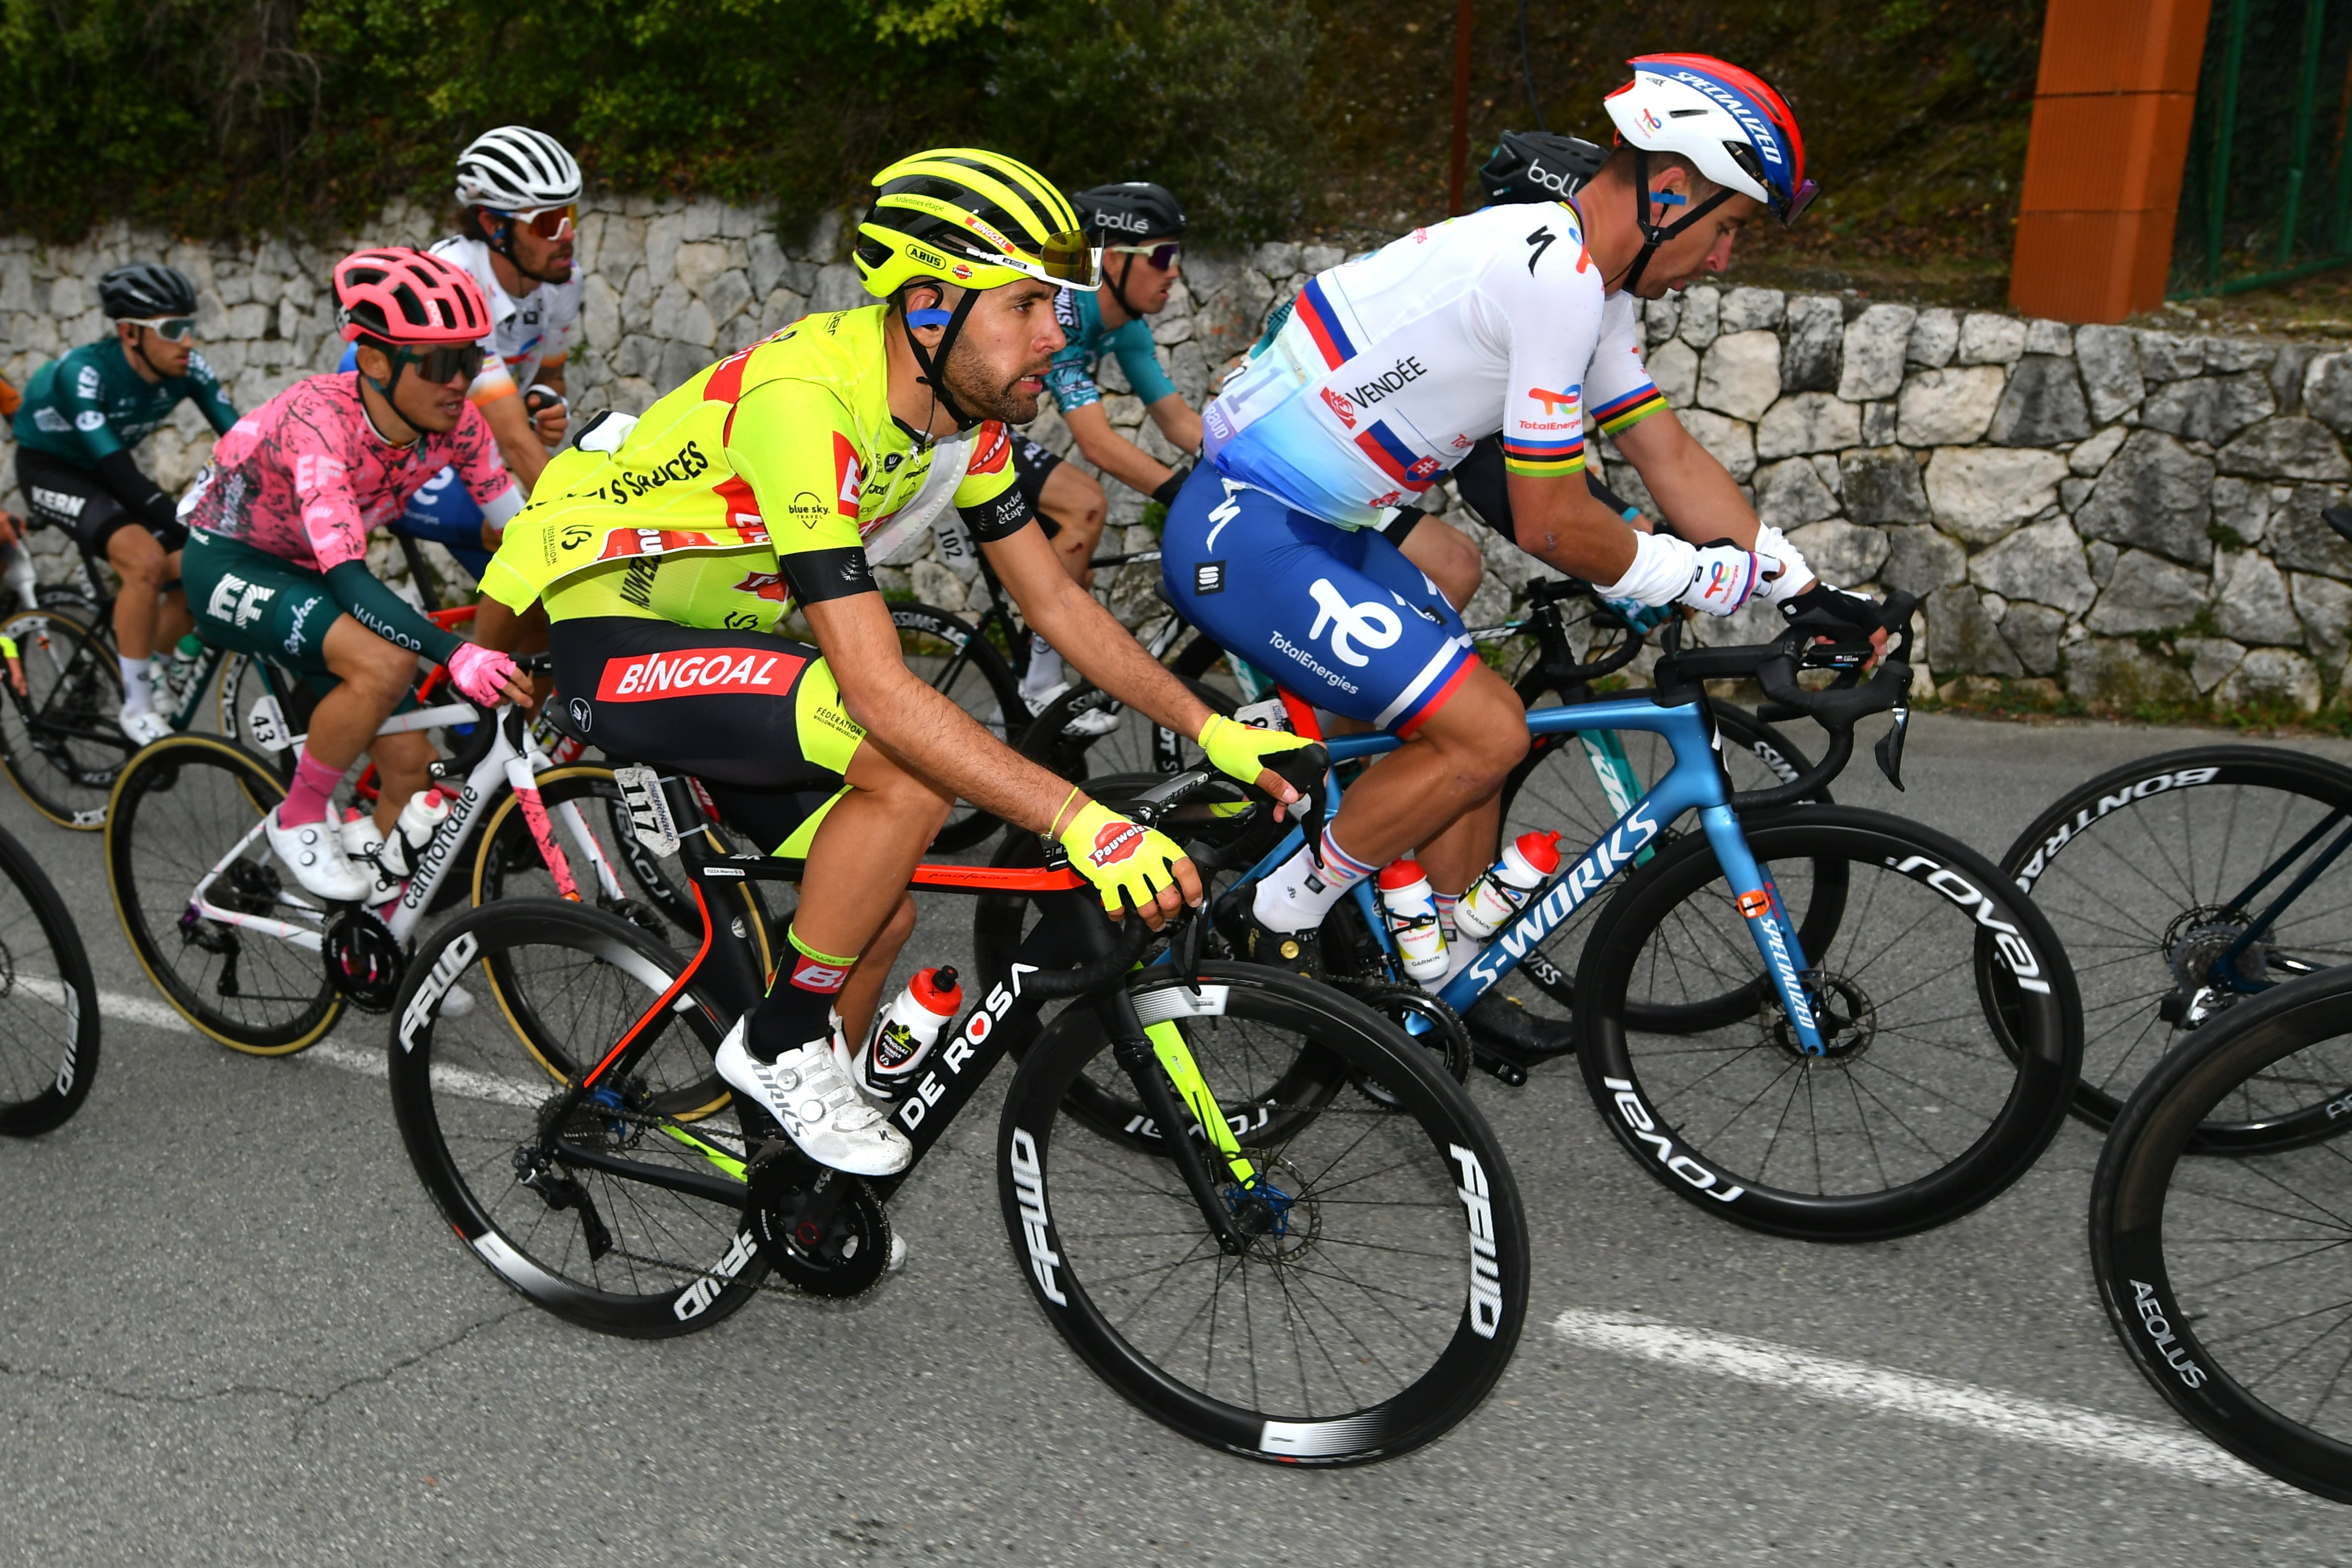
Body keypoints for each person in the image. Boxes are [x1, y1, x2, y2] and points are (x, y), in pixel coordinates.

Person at [483, 147, 1314, 1180]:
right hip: (617, 630)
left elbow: (1055, 599)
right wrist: (1080, 819)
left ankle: (794, 1161)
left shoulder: (961, 415)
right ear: (928, 305)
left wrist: (1210, 726)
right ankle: (781, 1044)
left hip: (725, 636)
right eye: (1026, 306)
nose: (1056, 337)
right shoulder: (808, 402)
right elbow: (878, 689)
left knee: (879, 904)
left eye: (1057, 306)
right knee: (906, 770)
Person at [1161, 55, 1870, 1048]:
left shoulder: (1595, 289)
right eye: (1729, 227)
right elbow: (1549, 521)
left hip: (1323, 525)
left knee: (1467, 730)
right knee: (1485, 731)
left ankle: (1436, 972)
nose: (1722, 259)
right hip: (1250, 524)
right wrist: (1698, 575)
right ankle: (1276, 911)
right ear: (1670, 191)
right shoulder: (1550, 275)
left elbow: (1663, 449)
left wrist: (1799, 584)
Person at [181, 248, 529, 901]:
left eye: (471, 359)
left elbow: (522, 532)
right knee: (384, 663)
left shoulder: (459, 425)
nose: (460, 381)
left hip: (307, 567)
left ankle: (377, 938)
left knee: (413, 774)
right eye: (438, 362)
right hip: (230, 559)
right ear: (373, 360)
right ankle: (300, 814)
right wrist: (457, 654)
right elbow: (348, 579)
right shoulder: (320, 425)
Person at [335, 127, 580, 640]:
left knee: (544, 618)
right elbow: (512, 437)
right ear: (493, 225)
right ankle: (480, 693)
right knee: (523, 551)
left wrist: (547, 400)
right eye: (549, 221)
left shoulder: (563, 280)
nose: (566, 235)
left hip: (459, 435)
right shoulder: (456, 279)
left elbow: (547, 375)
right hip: (391, 448)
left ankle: (501, 713)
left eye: (572, 215)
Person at [11, 263, 238, 743]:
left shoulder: (187, 368)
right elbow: (120, 475)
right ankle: (136, 708)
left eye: (191, 327)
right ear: (129, 334)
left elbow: (245, 442)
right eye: (173, 329)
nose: (188, 342)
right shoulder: (83, 372)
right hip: (53, 468)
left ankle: (149, 666)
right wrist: (188, 525)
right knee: (145, 561)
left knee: (200, 564)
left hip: (108, 469)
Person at [1008, 181, 1197, 715]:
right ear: (1112, 261)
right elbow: (1096, 442)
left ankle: (1018, 714)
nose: (1174, 271)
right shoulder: (1066, 310)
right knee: (1083, 504)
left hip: (990, 435)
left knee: (1078, 569)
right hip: (956, 434)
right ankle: (1039, 686)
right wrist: (1186, 495)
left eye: (1176, 256)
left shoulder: (1127, 329)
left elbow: (1181, 423)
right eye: (1162, 255)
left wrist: (1249, 472)